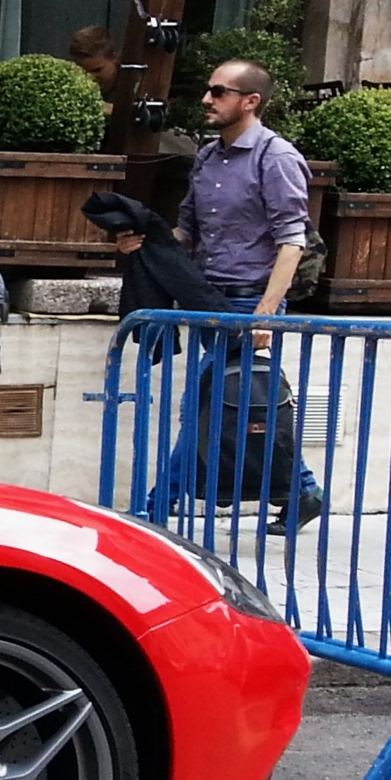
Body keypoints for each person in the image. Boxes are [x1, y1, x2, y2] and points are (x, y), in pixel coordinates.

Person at [115, 59, 323, 528]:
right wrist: (143, 241)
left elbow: (293, 240)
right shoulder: (209, 156)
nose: (207, 99)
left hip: (253, 300)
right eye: (209, 90)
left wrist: (267, 314)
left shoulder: (277, 158)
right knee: (238, 402)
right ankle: (305, 489)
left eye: (220, 92)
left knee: (206, 403)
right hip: (210, 296)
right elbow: (187, 231)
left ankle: (156, 505)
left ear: (251, 102)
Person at [69, 24, 122, 99]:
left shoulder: (134, 86)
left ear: (114, 58)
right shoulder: (70, 85)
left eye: (97, 70)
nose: (91, 77)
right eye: (83, 72)